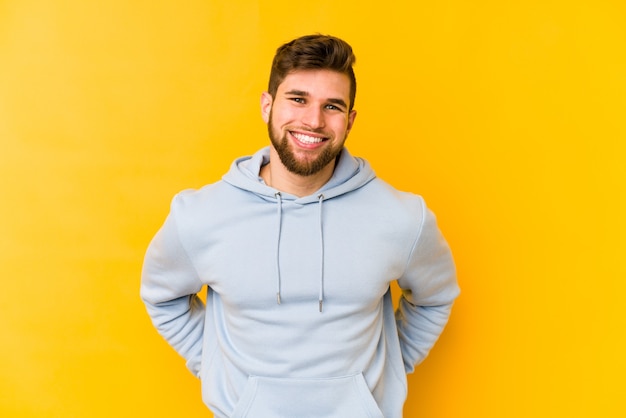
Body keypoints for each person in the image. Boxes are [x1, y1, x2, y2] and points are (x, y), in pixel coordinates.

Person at [141, 34, 460, 418]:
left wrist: (382, 376)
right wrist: (216, 365)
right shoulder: (201, 215)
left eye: (332, 106)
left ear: (350, 121)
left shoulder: (402, 217)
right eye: (298, 99)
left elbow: (435, 297)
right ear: (267, 105)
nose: (313, 120)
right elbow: (163, 297)